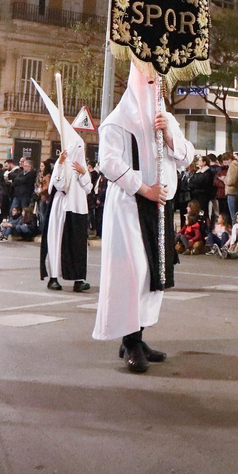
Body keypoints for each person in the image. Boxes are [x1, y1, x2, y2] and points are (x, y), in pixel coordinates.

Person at [92, 56, 193, 373]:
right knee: (132, 272)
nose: (155, 88)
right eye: (149, 82)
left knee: (153, 274)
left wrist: (171, 137)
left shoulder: (166, 118)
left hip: (161, 206)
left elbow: (187, 156)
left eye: (158, 83)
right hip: (130, 208)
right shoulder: (116, 121)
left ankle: (136, 336)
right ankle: (130, 341)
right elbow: (109, 163)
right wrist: (143, 188)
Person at [34, 82, 92, 293]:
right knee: (57, 240)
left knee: (77, 244)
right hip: (62, 207)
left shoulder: (81, 165)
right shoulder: (61, 163)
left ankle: (78, 278)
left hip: (79, 208)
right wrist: (61, 165)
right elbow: (59, 185)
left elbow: (88, 189)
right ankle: (54, 276)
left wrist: (83, 173)